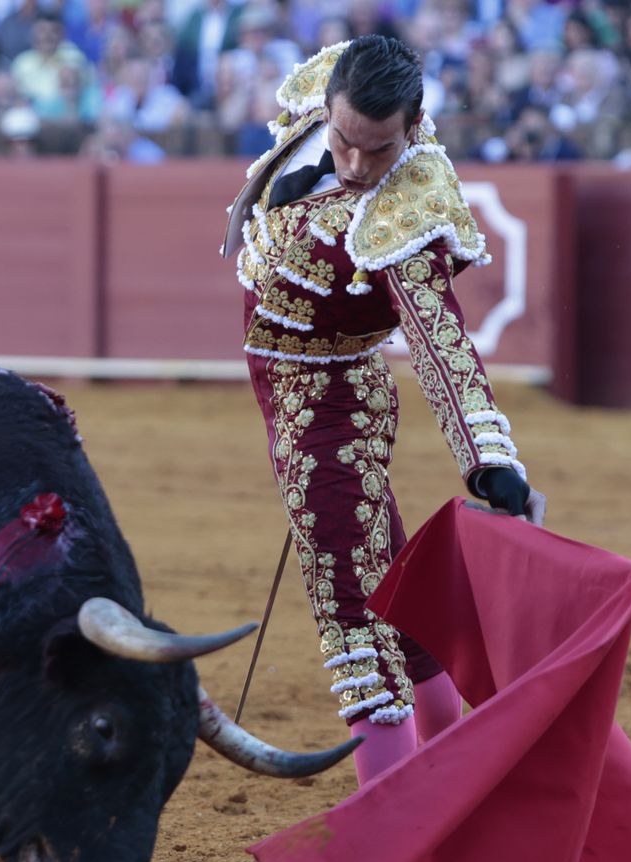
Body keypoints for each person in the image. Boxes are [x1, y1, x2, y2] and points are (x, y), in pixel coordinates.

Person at [221, 36, 544, 786]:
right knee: (391, 588)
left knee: (353, 617)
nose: (358, 166)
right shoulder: (323, 95)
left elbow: (442, 347)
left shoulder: (407, 214)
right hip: (295, 391)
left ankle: (395, 825)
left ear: (414, 124)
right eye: (344, 142)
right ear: (327, 107)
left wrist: (490, 460)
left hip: (328, 406)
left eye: (379, 149)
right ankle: (453, 774)